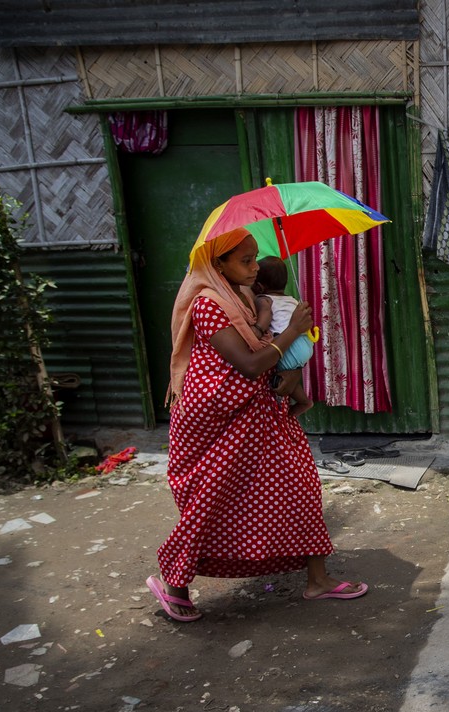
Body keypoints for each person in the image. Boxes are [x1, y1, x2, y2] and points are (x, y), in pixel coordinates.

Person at [146, 228, 367, 623]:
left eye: (253, 258)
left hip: (259, 410)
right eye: (245, 260)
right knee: (212, 503)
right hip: (217, 419)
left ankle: (317, 579)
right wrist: (294, 331)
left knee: (301, 485)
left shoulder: (244, 297)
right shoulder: (208, 304)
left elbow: (264, 344)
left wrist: (294, 368)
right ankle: (173, 583)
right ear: (218, 264)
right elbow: (249, 364)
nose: (254, 267)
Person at [252, 256, 314, 415]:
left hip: (287, 345)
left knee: (277, 377)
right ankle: (304, 403)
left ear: (259, 286)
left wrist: (257, 330)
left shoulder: (264, 299)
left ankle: (285, 411)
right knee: (290, 375)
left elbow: (265, 315)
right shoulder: (292, 300)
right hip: (305, 344)